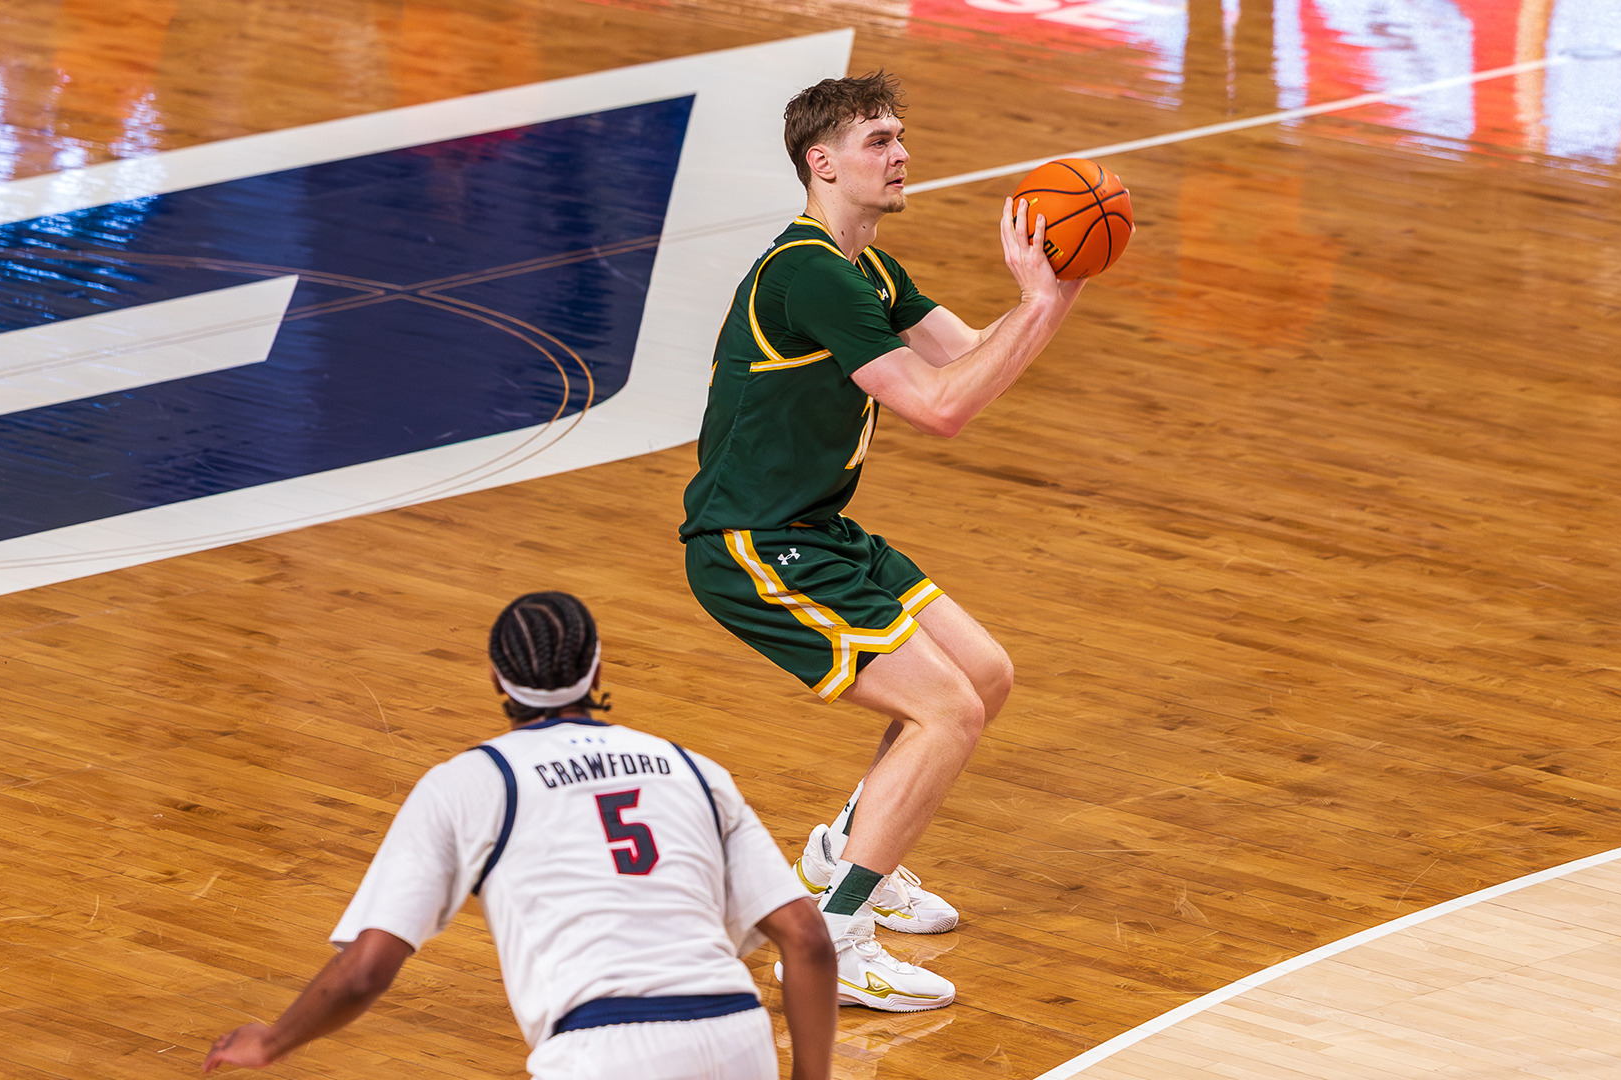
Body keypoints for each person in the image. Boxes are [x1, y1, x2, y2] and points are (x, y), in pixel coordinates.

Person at [679, 71, 1086, 1010]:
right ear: (821, 163)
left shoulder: (870, 270)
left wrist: (1053, 293)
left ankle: (844, 851)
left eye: (900, 137)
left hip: (818, 528)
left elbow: (971, 357)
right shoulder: (808, 272)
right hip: (754, 545)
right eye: (878, 141)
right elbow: (940, 409)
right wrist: (1038, 304)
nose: (901, 155)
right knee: (948, 712)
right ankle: (835, 936)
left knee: (984, 675)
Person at [202, 591, 836, 1080]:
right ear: (596, 669)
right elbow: (807, 940)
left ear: (495, 677)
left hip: (601, 1051)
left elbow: (366, 971)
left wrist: (272, 1041)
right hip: (737, 1033)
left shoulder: (468, 784)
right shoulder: (693, 769)